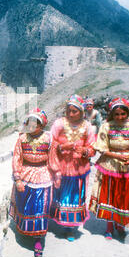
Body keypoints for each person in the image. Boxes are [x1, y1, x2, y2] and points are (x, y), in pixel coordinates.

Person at [89, 97, 129, 240]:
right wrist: (116, 156)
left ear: (128, 112)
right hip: (110, 164)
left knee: (124, 196)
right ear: (112, 114)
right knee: (110, 195)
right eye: (116, 114)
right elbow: (101, 148)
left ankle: (121, 223)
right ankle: (109, 227)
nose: (119, 117)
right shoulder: (106, 126)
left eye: (122, 114)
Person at [9, 108, 57, 257]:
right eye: (29, 123)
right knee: (25, 205)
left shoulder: (49, 139)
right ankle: (24, 229)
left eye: (35, 123)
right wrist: (17, 179)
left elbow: (53, 158)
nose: (31, 126)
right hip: (26, 174)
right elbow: (17, 158)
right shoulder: (22, 139)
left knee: (40, 208)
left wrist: (57, 174)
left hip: (43, 175)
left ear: (41, 125)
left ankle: (38, 240)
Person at [49, 94, 96, 241]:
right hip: (62, 165)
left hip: (79, 168)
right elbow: (50, 142)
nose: (70, 114)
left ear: (81, 112)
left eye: (74, 111)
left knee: (75, 197)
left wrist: (86, 151)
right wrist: (62, 146)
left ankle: (70, 228)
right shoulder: (59, 124)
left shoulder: (87, 127)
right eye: (69, 110)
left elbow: (93, 146)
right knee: (60, 195)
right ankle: (59, 221)